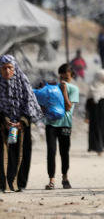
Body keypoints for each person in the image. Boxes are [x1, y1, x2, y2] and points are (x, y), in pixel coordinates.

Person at [0, 55, 43, 193]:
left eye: (10, 68)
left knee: (22, 153)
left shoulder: (23, 83)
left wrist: (21, 122)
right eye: (4, 68)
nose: (7, 71)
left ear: (15, 68)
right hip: (2, 125)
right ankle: (1, 185)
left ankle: (20, 184)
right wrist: (5, 121)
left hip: (21, 125)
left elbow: (30, 105)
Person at [44, 64, 79, 190]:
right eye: (61, 77)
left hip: (65, 124)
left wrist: (64, 91)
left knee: (64, 152)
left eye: (67, 78)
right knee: (51, 150)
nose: (63, 80)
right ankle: (51, 179)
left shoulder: (74, 89)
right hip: (51, 123)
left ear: (72, 77)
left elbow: (68, 106)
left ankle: (65, 177)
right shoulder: (53, 88)